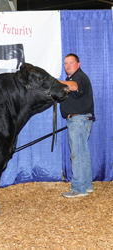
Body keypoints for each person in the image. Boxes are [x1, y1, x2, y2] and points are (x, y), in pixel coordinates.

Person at [59, 53, 94, 198]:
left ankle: (78, 188)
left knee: (77, 154)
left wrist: (55, 83)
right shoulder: (72, 78)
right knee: (82, 154)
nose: (68, 66)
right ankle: (86, 185)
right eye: (66, 63)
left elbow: (74, 86)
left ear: (78, 64)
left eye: (71, 63)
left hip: (78, 120)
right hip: (81, 119)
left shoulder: (79, 77)